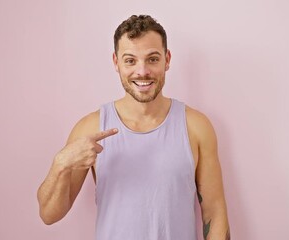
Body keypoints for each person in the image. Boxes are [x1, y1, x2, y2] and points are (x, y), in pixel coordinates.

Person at [37, 15, 230, 240]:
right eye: (130, 60)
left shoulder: (196, 126)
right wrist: (60, 164)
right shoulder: (90, 128)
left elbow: (214, 213)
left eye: (152, 59)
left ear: (167, 60)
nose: (142, 71)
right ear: (116, 62)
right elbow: (49, 215)